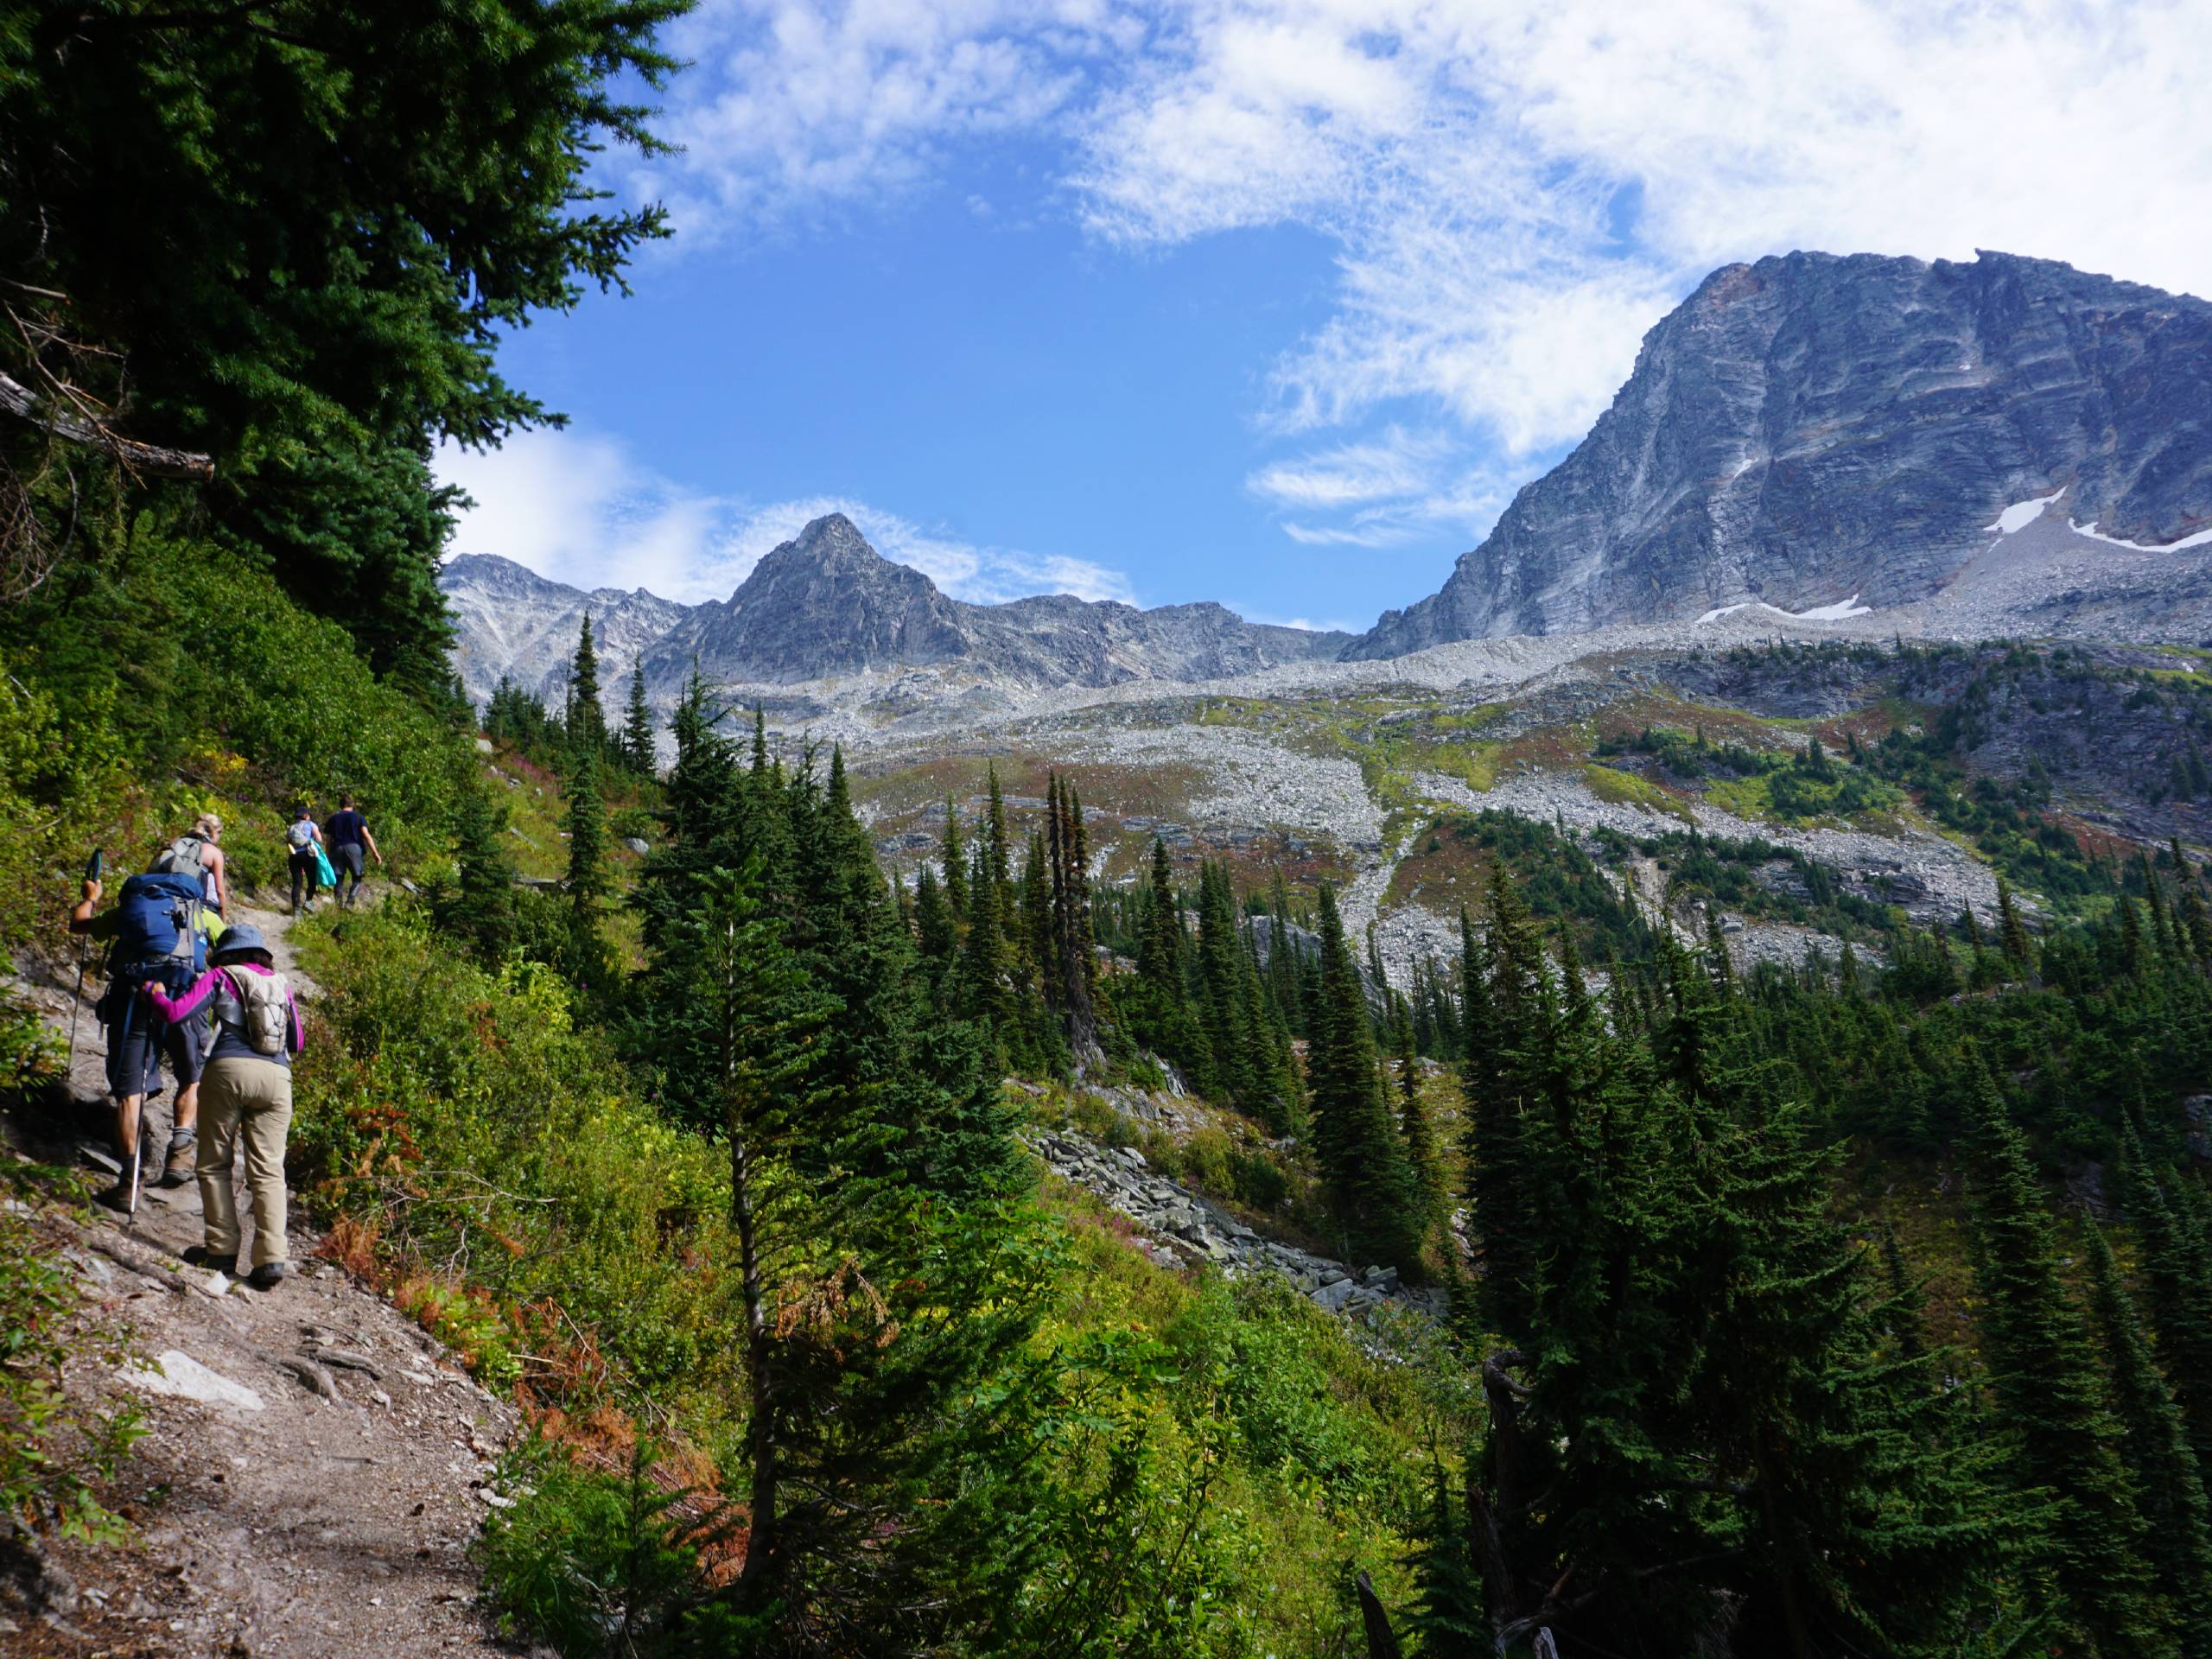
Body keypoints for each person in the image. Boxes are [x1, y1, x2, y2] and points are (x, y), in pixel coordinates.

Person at [142, 924, 302, 1289]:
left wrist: (155, 994)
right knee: (269, 1170)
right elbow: (298, 1041)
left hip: (228, 1072)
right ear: (261, 953)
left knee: (214, 1163)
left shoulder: (220, 976)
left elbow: (176, 1013)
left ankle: (222, 1250)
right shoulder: (281, 983)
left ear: (226, 953)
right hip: (277, 1079)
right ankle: (271, 1260)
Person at [67, 868, 226, 1201]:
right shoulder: (200, 913)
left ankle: (129, 1178)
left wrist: (90, 897)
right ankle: (180, 1150)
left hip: (133, 996)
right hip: (185, 998)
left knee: (129, 1091)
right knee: (191, 1077)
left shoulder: (130, 909)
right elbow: (227, 951)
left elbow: (78, 924)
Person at [150, 812, 230, 917]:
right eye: (220, 833)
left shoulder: (176, 843)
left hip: (161, 899)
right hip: (197, 908)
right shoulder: (214, 853)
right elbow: (220, 892)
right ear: (215, 832)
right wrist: (223, 921)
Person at [321, 793, 383, 910]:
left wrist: (328, 856)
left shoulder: (333, 819)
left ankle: (338, 906)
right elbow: (366, 835)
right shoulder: (359, 818)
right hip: (353, 848)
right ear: (353, 805)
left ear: (341, 805)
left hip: (337, 848)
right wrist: (375, 853)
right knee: (357, 877)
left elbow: (329, 841)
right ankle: (350, 902)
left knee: (338, 878)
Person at [285, 804, 325, 913]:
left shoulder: (291, 827)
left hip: (294, 856)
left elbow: (287, 842)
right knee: (311, 881)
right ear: (306, 815)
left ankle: (296, 909)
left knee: (297, 883)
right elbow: (319, 839)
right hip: (308, 855)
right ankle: (308, 902)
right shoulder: (311, 825)